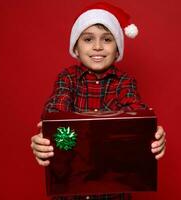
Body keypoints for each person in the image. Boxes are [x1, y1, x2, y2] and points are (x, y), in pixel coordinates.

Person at [30, 2, 166, 200]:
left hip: (113, 190)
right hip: (70, 188)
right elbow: (56, 108)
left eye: (107, 39)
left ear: (117, 50)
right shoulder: (67, 79)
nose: (97, 46)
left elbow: (135, 110)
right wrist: (45, 133)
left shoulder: (124, 83)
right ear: (76, 48)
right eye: (88, 39)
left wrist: (151, 132)